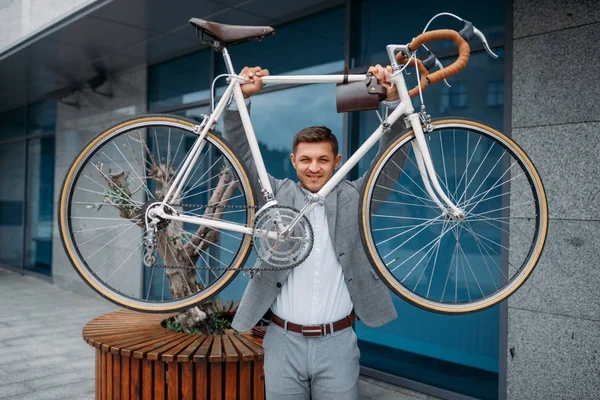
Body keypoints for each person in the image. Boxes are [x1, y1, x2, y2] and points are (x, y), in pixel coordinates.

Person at [224, 64, 402, 400]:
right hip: (281, 341)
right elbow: (240, 154)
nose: (314, 167)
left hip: (338, 343)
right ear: (293, 161)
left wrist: (393, 102)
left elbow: (391, 161)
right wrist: (239, 102)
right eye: (306, 159)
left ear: (338, 161)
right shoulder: (274, 196)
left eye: (323, 159)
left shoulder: (356, 198)